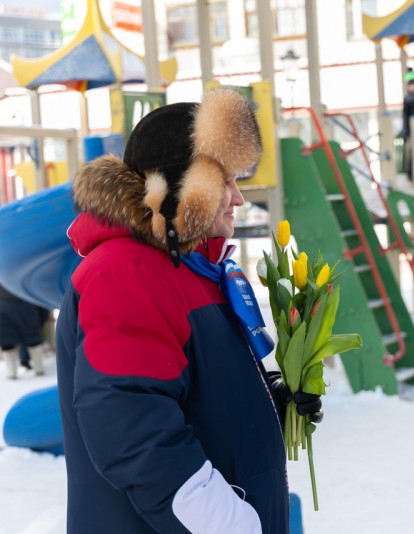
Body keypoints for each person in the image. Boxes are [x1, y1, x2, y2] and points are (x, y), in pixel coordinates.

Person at [56, 89, 321, 533]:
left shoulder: (188, 265)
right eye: (225, 183)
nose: (238, 198)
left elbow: (188, 393)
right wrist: (230, 523)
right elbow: (131, 428)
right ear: (182, 188)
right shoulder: (127, 273)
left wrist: (267, 401)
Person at [0, 284, 49, 378]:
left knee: (7, 345)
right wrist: (41, 322)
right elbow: (42, 305)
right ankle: (39, 369)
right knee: (34, 342)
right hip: (28, 313)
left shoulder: (2, 280)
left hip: (4, 316)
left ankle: (12, 373)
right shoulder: (26, 283)